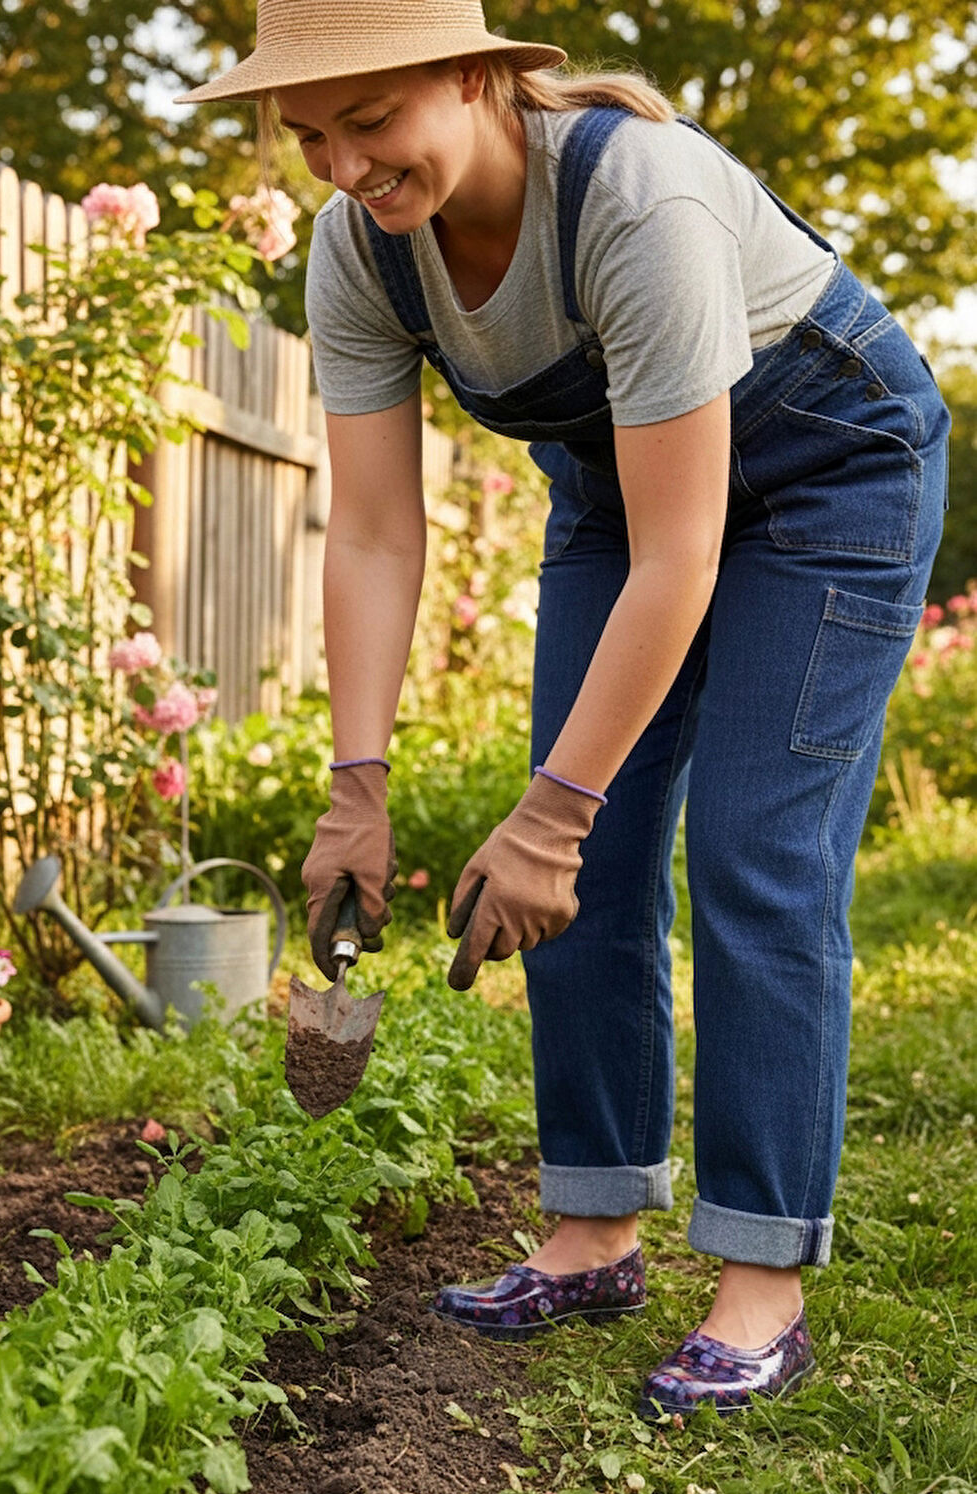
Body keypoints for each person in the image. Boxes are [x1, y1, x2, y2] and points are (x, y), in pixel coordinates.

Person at [177, 1, 951, 1420]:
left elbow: (689, 553)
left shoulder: (635, 198)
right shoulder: (358, 251)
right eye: (308, 137)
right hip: (623, 498)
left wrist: (552, 808)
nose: (343, 167)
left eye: (371, 121)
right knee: (574, 862)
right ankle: (594, 1230)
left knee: (751, 855)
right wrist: (360, 784)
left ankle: (762, 1278)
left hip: (832, 478)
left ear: (476, 79)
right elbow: (371, 536)